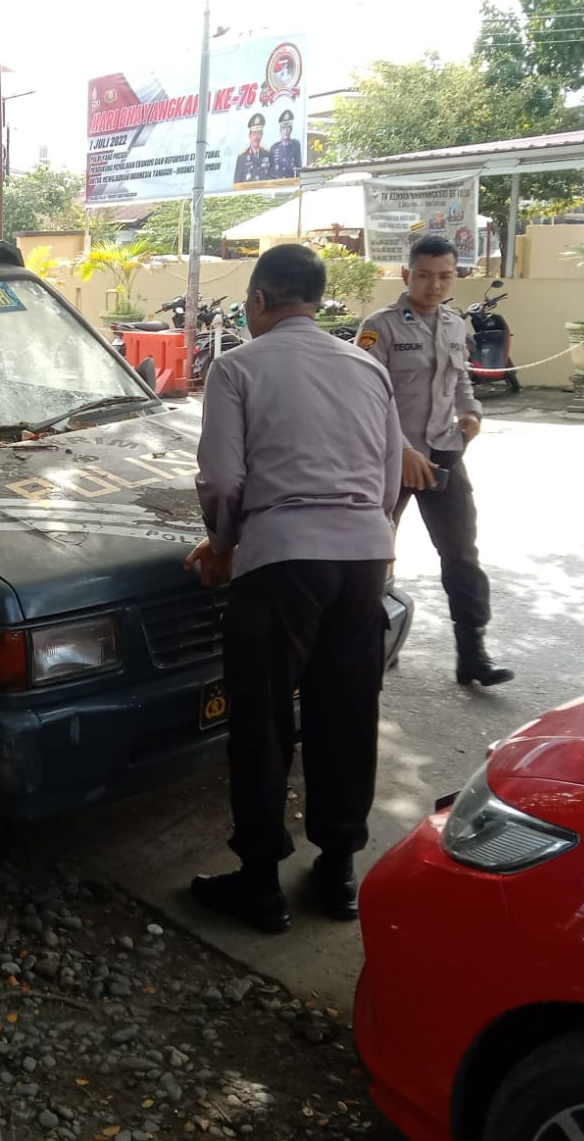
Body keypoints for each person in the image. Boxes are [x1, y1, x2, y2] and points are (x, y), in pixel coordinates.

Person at [185, 244, 401, 934]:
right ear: (317, 299)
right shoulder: (367, 367)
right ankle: (338, 873)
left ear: (256, 301)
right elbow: (390, 475)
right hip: (365, 556)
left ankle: (260, 885)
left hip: (283, 561)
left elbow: (221, 478)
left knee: (264, 722)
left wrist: (222, 545)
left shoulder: (237, 366)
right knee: (346, 714)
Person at [357, 234, 513, 687]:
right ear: (407, 275)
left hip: (444, 450)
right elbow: (369, 398)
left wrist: (471, 412)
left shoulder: (452, 325)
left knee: (461, 550)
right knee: (373, 552)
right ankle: (373, 646)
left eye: (445, 275)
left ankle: (473, 653)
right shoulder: (380, 326)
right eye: (425, 275)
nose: (435, 284)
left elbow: (461, 379)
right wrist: (401, 448)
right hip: (389, 454)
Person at [233, 113, 269, 184]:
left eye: (259, 133)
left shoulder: (268, 155)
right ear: (249, 136)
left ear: (262, 135)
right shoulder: (242, 157)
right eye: (254, 133)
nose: (256, 137)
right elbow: (237, 184)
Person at [268, 109, 302, 180]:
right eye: (283, 128)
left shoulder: (295, 145)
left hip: (292, 184)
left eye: (288, 127)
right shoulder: (274, 148)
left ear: (291, 129)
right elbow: (271, 172)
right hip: (277, 185)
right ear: (280, 130)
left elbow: (299, 167)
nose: (286, 131)